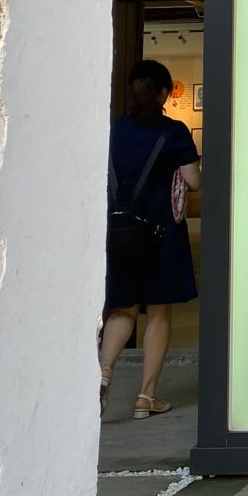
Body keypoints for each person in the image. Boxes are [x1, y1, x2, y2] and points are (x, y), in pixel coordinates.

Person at [98, 59, 201, 420]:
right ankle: (146, 397)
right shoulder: (174, 132)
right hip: (161, 234)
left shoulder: (114, 131)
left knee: (123, 308)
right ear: (164, 93)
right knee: (158, 312)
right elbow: (194, 180)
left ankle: (104, 374)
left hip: (121, 232)